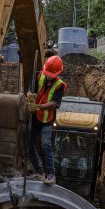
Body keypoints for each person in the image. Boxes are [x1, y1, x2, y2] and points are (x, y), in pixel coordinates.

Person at [28, 55, 67, 185]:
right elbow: (31, 91)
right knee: (28, 144)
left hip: (47, 120)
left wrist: (38, 106)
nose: (48, 76)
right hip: (34, 118)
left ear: (57, 73)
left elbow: (54, 104)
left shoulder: (60, 85)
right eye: (47, 73)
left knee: (46, 145)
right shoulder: (39, 76)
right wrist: (29, 97)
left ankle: (50, 174)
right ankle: (39, 172)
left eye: (51, 74)